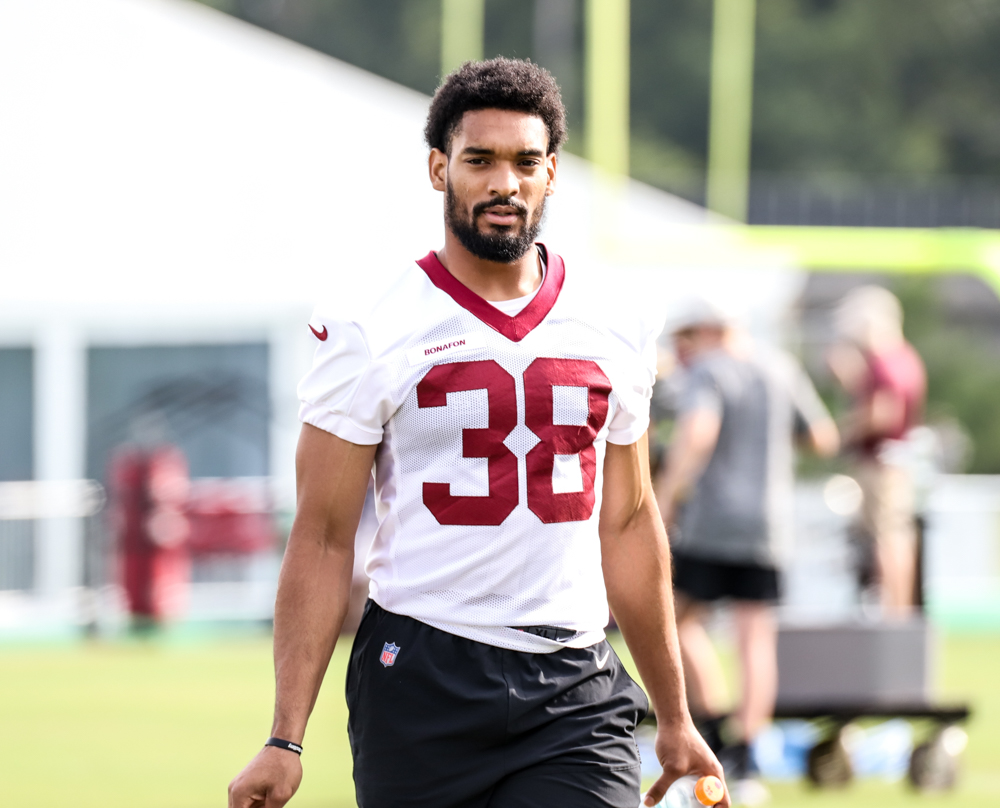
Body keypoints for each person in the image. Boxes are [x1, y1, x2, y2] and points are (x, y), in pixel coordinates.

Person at [228, 58, 727, 808]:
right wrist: (284, 737)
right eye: (480, 161)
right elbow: (325, 536)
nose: (505, 184)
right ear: (439, 168)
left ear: (553, 173)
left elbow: (626, 521)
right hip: (421, 673)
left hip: (573, 684)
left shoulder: (615, 320)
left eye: (526, 162)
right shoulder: (373, 325)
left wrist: (676, 712)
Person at [655, 299, 838, 802]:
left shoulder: (709, 372)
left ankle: (711, 726)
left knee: (676, 623)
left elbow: (698, 432)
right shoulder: (780, 367)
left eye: (686, 339)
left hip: (712, 523)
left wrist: (667, 497)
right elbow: (822, 437)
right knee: (755, 639)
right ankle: (749, 754)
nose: (682, 350)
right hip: (769, 526)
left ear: (707, 332)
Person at [828, 285, 926, 618]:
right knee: (898, 535)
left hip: (882, 463)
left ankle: (892, 611)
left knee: (887, 537)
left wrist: (844, 431)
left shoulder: (883, 363)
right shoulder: (906, 357)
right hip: (899, 459)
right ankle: (898, 608)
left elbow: (883, 413)